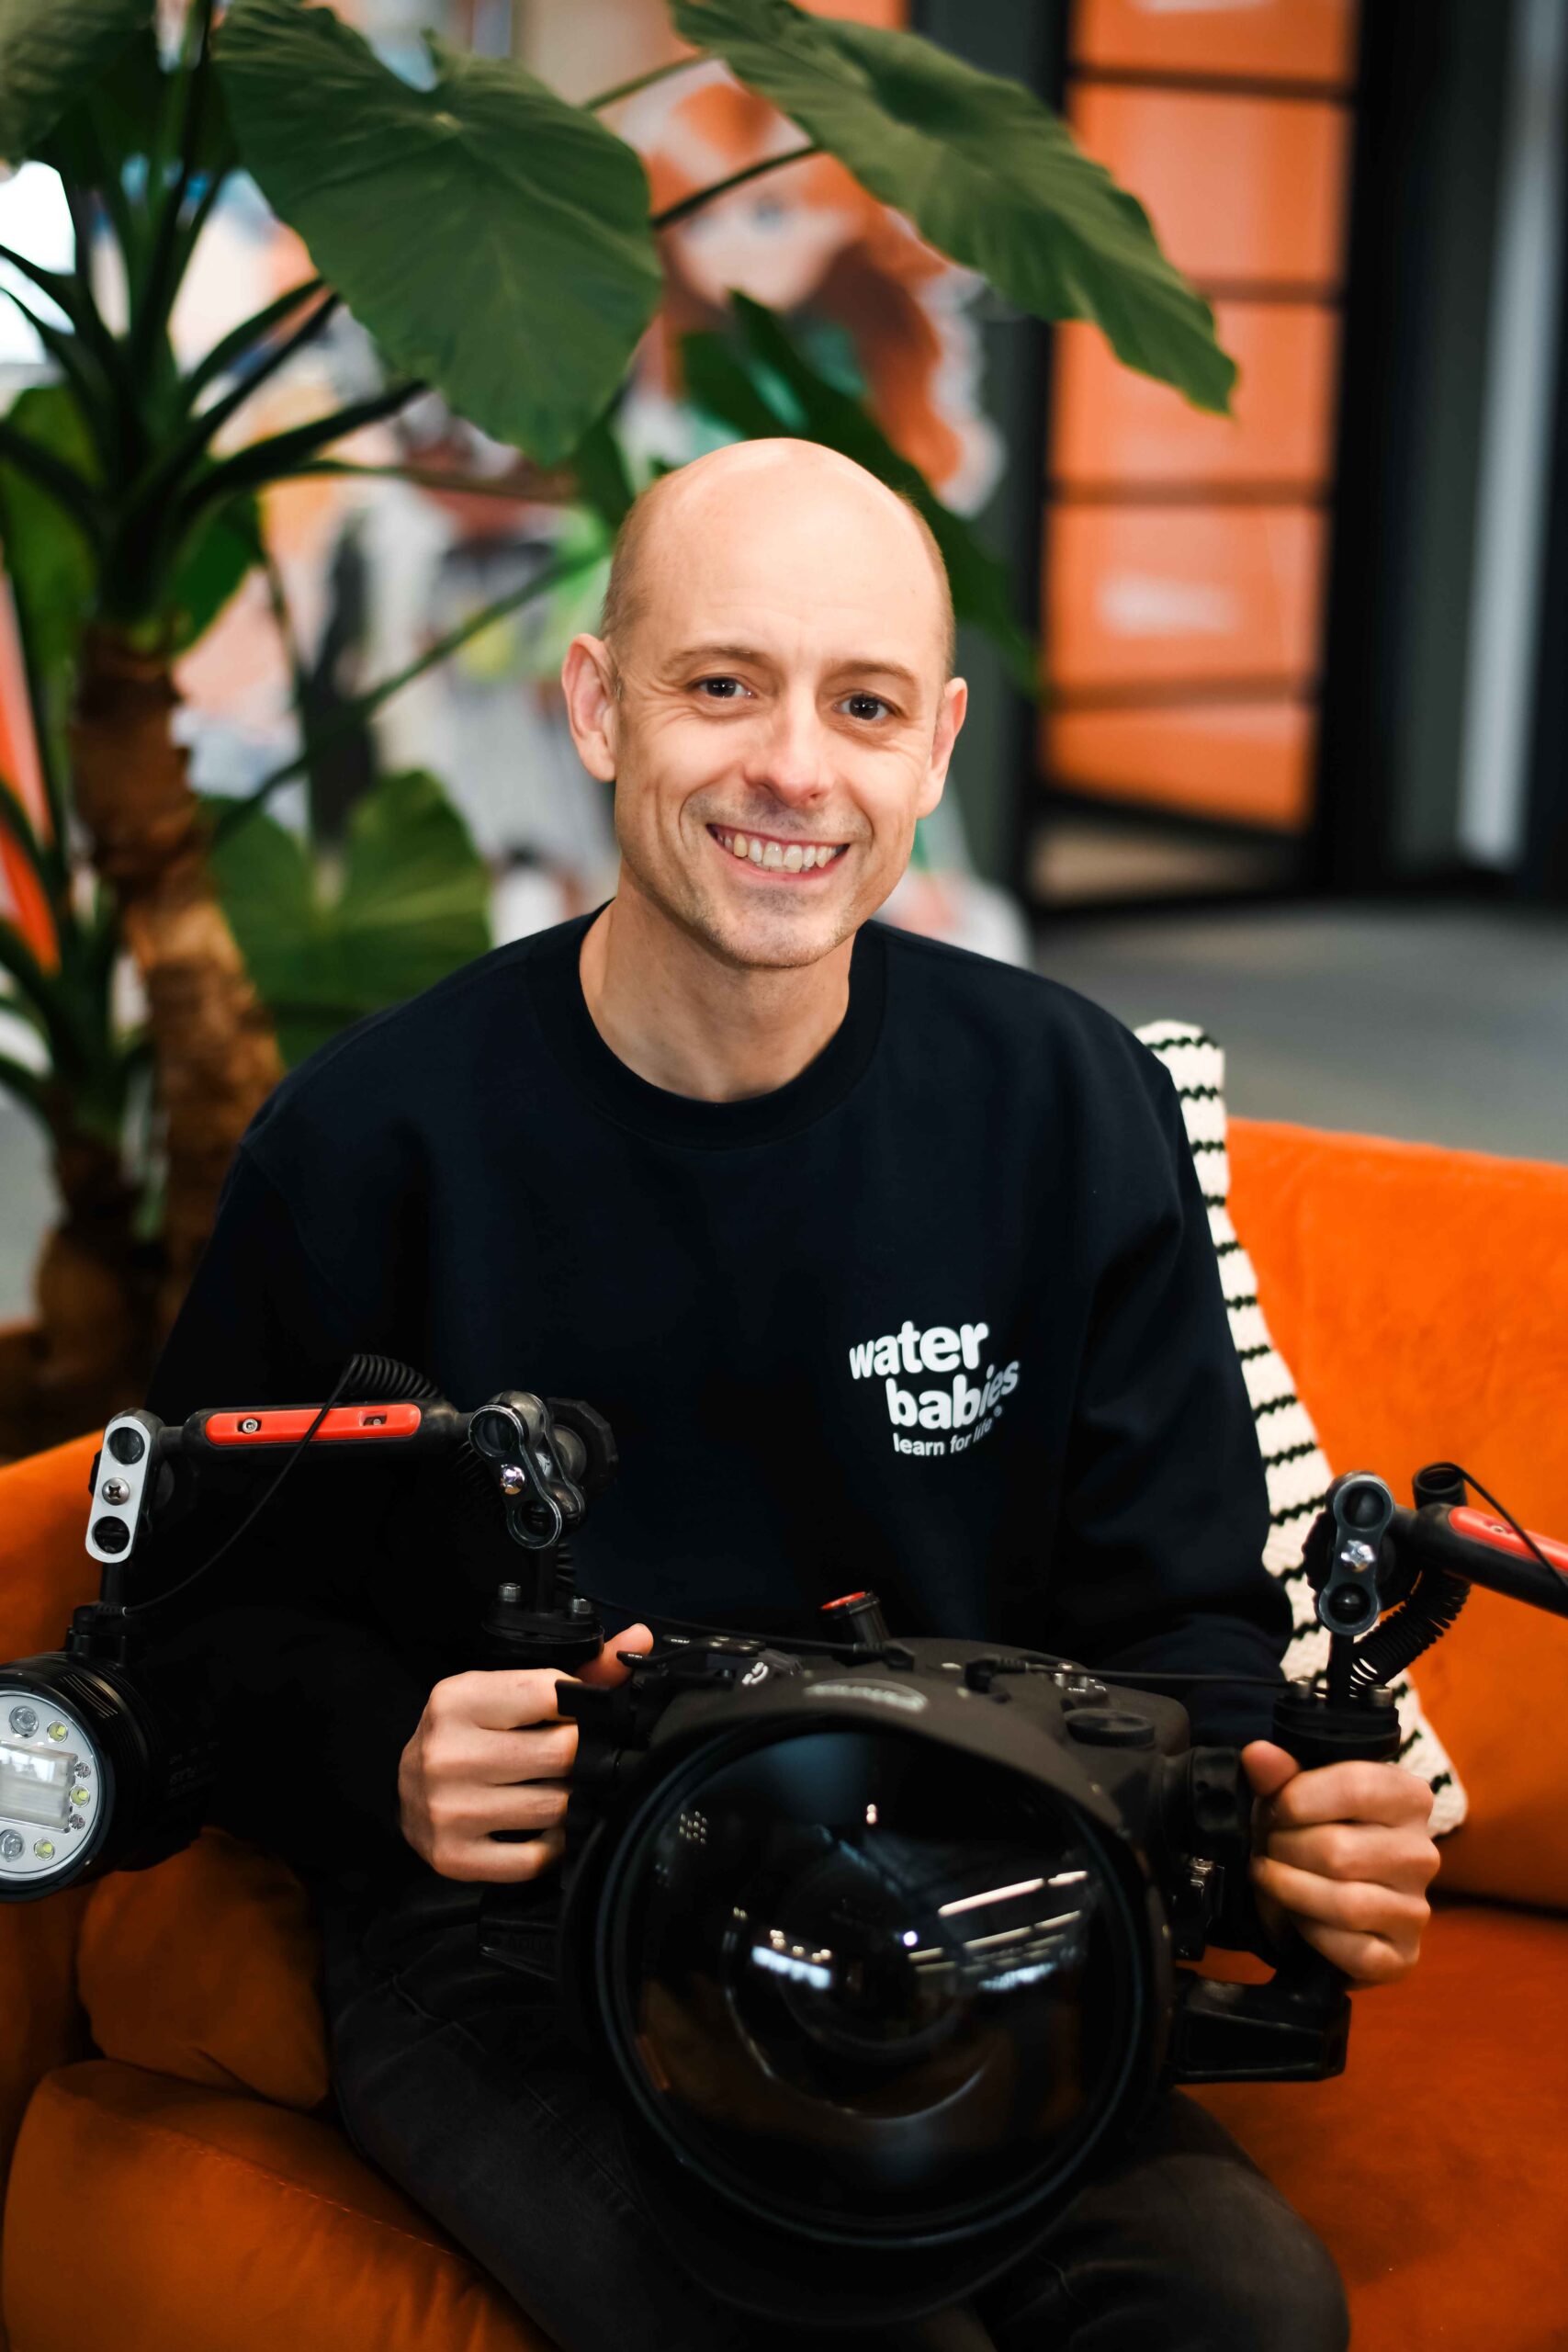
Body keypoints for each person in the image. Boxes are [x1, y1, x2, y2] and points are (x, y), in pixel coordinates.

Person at [149, 440, 1438, 2352]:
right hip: (521, 1936)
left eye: (863, 705)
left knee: (1241, 2308)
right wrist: (390, 1748)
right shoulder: (370, 1144)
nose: (792, 769)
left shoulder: (1067, 1105)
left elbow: (1179, 1609)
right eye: (722, 683)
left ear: (936, 749)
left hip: (971, 1877)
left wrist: (1279, 1828)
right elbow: (188, 1621)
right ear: (601, 707)